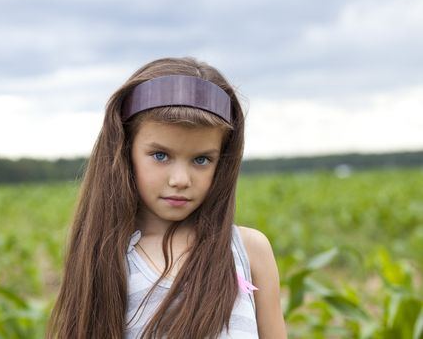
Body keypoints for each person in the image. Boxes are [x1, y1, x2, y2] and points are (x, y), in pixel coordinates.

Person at [46, 57, 287, 339]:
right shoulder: (107, 259)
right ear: (125, 152)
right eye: (160, 156)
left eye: (201, 159)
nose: (180, 180)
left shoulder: (248, 252)